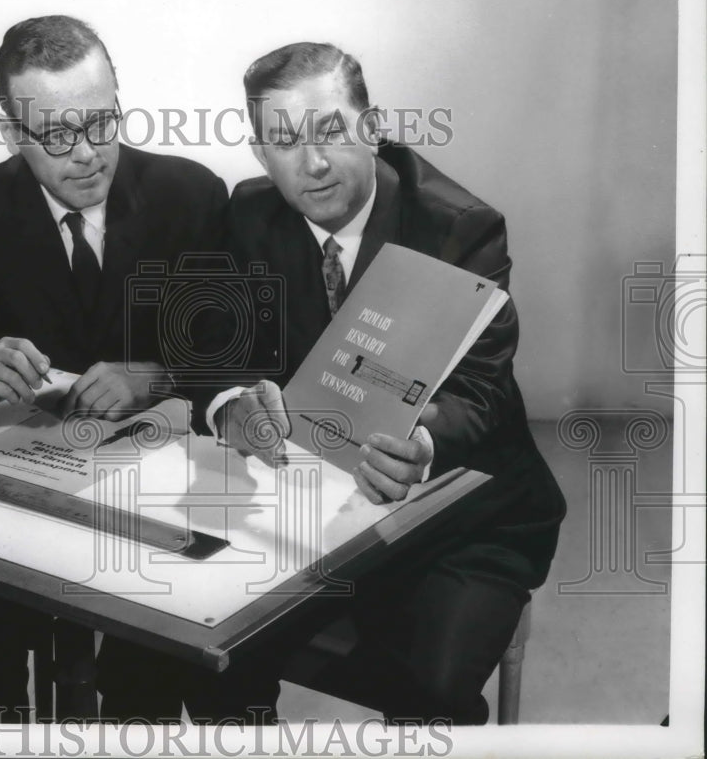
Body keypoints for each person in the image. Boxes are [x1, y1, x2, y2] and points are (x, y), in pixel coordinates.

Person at [97, 41, 566, 725]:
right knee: (174, 646)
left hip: (463, 515)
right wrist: (231, 408)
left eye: (331, 131)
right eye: (284, 141)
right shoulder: (251, 212)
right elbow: (211, 350)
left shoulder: (460, 227)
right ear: (260, 153)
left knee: (429, 694)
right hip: (311, 508)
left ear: (371, 128)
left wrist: (422, 446)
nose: (312, 164)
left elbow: (482, 396)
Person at [0, 15, 227, 722]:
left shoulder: (192, 193)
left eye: (102, 123)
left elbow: (234, 358)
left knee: (151, 652)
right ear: (9, 131)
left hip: (164, 486)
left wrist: (152, 375)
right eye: (56, 136)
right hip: (37, 479)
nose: (89, 155)